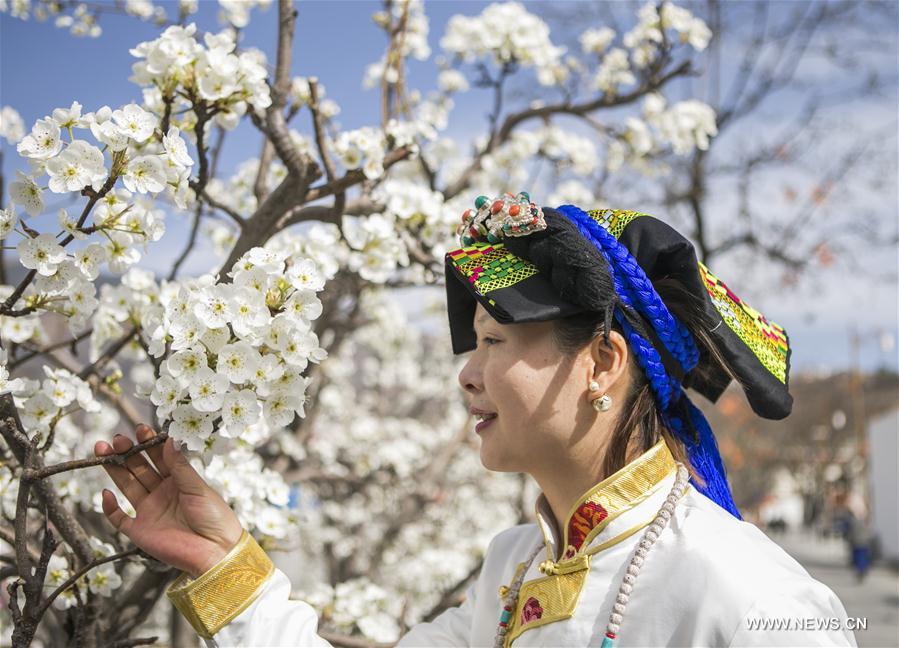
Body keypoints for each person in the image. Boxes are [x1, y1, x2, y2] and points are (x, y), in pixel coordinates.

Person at [94, 194, 857, 647]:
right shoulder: (514, 566)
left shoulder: (746, 595)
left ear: (600, 364)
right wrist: (227, 563)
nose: (467, 372)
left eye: (494, 342)